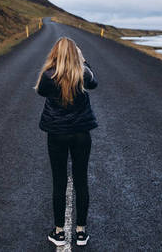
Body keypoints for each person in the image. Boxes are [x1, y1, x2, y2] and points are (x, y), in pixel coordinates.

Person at [35, 37, 98, 247]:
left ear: (55, 54)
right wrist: (84, 60)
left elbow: (41, 91)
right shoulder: (83, 73)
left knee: (59, 181)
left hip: (57, 134)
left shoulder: (48, 76)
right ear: (75, 54)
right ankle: (81, 232)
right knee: (81, 180)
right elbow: (94, 83)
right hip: (81, 134)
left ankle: (59, 232)